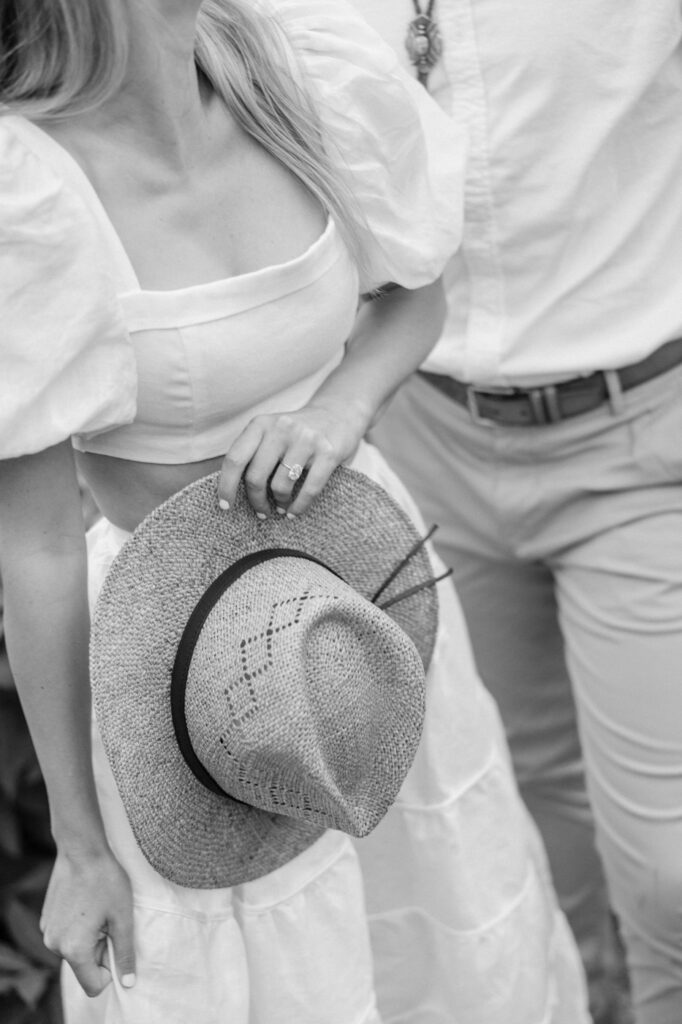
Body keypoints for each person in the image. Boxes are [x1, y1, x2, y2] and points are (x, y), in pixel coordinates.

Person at [0, 1, 588, 1021]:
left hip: (355, 610)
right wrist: (82, 844)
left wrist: (338, 407)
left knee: (443, 921)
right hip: (178, 668)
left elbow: (415, 293)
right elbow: (38, 542)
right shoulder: (26, 189)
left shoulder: (291, 67)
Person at [343, 2, 682, 1023]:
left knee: (669, 865)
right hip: (420, 428)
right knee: (514, 818)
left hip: (634, 434)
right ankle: (580, 994)